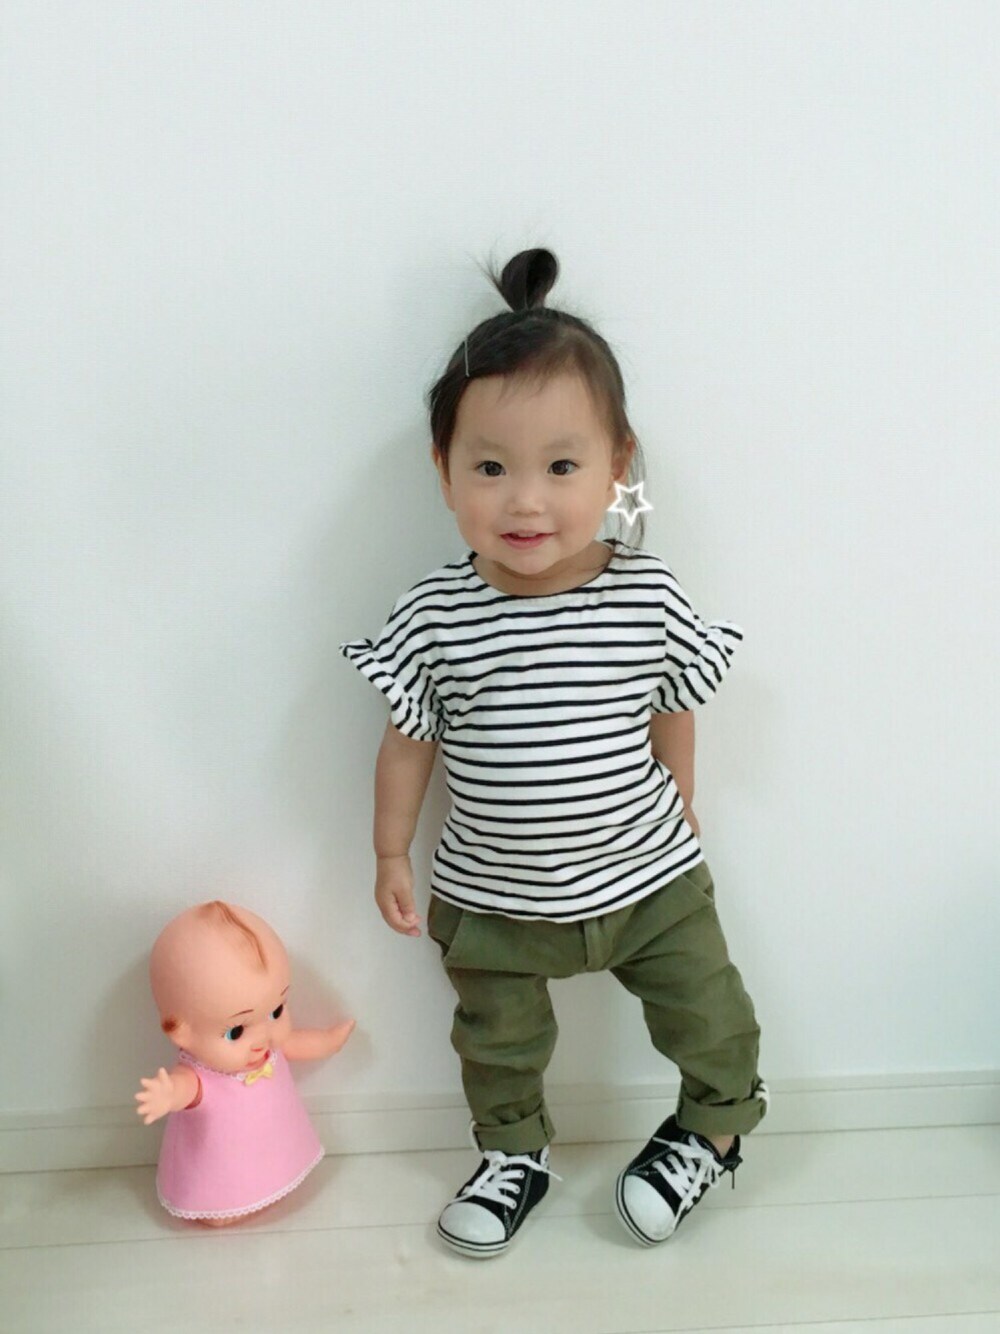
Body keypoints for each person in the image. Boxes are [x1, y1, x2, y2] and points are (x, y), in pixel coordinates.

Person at [340, 248, 767, 1258]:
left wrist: (684, 796)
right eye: (491, 468)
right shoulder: (436, 615)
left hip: (649, 879)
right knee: (496, 1041)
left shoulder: (646, 594)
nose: (525, 502)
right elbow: (408, 742)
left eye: (561, 467)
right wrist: (390, 850)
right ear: (443, 470)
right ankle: (512, 1151)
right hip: (492, 894)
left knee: (710, 1011)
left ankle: (711, 1131)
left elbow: (675, 705)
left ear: (618, 465)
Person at [135, 900, 355, 1224]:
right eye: (236, 1031)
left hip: (275, 1140)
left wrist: (328, 1041)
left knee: (276, 1154)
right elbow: (186, 1088)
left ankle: (276, 1181)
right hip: (224, 1164)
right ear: (180, 1032)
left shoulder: (270, 1049)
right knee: (227, 1177)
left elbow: (296, 1043)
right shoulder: (202, 1075)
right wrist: (169, 1095)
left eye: (276, 1011)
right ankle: (222, 1206)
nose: (263, 1037)